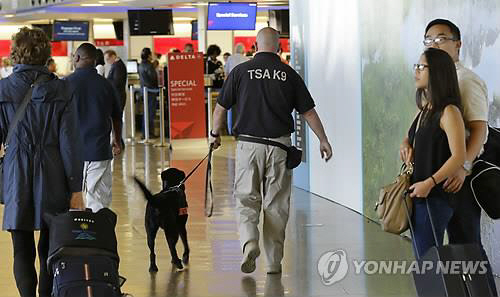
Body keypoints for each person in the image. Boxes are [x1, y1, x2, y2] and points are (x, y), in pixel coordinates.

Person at [209, 27, 333, 274]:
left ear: (255, 46)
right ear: (278, 48)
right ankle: (274, 262)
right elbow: (308, 112)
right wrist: (323, 139)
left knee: (246, 198)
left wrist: (214, 135)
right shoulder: (289, 74)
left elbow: (221, 107)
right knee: (276, 205)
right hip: (279, 147)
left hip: (248, 146)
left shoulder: (240, 72)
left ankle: (249, 243)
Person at [401, 19, 498, 295]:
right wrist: (407, 141)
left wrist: (463, 166)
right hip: (438, 180)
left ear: (457, 44)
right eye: (429, 40)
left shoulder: (467, 81)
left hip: (456, 181)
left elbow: (479, 129)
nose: (435, 44)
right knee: (452, 253)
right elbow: (420, 126)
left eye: (441, 38)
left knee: (468, 251)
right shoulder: (433, 93)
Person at [0, 27, 84, 297]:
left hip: (16, 170)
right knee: (50, 244)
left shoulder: (3, 89)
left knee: (20, 244)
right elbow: (70, 143)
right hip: (53, 170)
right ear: (46, 54)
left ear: (15, 53)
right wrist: (76, 187)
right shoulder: (61, 88)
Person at [404, 47, 466, 257]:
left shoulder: (449, 111)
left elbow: (459, 156)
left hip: (434, 197)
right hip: (419, 195)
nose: (416, 71)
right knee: (425, 260)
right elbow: (409, 136)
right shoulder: (426, 108)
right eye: (417, 66)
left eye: (422, 67)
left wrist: (430, 183)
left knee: (428, 263)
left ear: (438, 72)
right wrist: (405, 145)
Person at [66, 43, 123, 212]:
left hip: (71, 153)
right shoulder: (106, 85)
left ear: (76, 58)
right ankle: (97, 235)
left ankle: (74, 235)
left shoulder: (64, 84)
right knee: (98, 200)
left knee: (71, 200)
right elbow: (117, 116)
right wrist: (117, 140)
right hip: (99, 151)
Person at [138, 47, 159, 138]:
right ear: (149, 55)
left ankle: (145, 133)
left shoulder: (141, 64)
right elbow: (153, 78)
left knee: (146, 112)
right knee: (150, 112)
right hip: (151, 91)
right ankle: (149, 133)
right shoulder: (149, 66)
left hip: (144, 90)